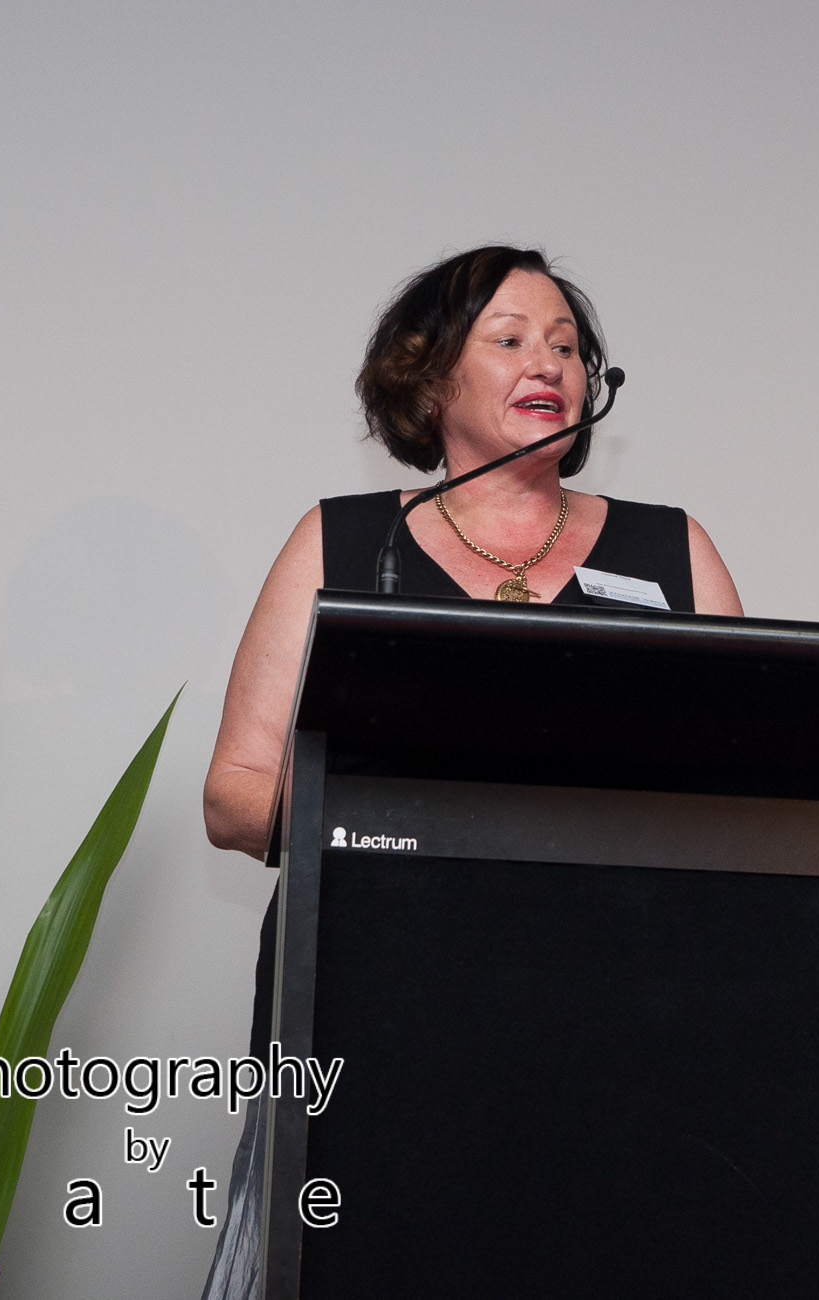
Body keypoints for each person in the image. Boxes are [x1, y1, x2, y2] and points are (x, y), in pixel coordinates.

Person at [196, 245, 742, 1299]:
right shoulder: (344, 543)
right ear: (428, 374)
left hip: (623, 1018)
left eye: (567, 347)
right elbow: (234, 794)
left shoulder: (673, 552)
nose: (549, 363)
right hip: (375, 1006)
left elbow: (746, 791)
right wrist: (410, 822)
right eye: (511, 339)